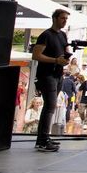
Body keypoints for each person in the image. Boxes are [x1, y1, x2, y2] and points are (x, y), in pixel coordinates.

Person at [31, 10, 71, 152]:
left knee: (50, 106)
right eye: (62, 18)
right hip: (46, 75)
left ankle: (43, 138)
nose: (65, 21)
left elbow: (64, 52)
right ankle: (43, 140)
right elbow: (36, 55)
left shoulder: (63, 35)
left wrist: (65, 59)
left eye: (66, 19)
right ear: (54, 18)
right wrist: (55, 60)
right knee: (50, 106)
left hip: (58, 74)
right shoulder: (46, 35)